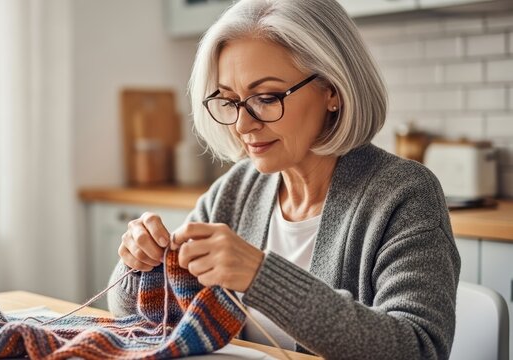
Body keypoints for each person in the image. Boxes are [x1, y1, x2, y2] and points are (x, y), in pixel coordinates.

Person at [107, 0, 460, 358]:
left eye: (266, 97)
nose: (244, 125)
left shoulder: (404, 195)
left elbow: (419, 348)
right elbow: (139, 319)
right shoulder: (236, 190)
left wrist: (262, 276)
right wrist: (139, 265)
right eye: (230, 100)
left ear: (332, 91)